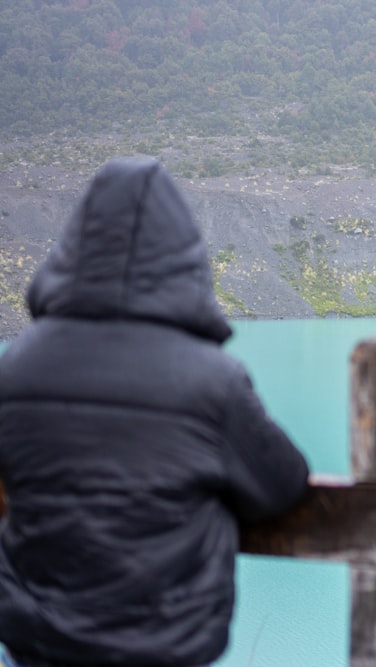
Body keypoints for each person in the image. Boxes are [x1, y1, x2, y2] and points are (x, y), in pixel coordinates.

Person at [0, 158, 310, 666]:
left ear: (74, 248)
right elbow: (281, 484)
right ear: (183, 259)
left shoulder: (17, 367)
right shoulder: (212, 380)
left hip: (36, 646)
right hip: (164, 648)